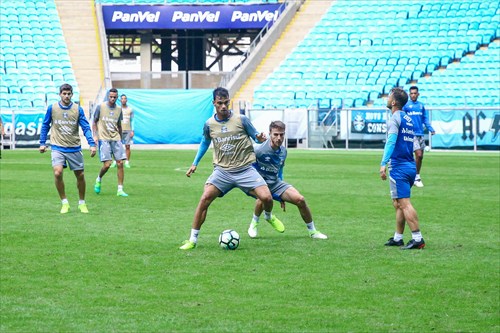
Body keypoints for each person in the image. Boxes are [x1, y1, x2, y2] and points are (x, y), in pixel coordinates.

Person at [180, 87, 284, 250]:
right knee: (204, 199)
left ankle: (268, 216)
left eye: (226, 102)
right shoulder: (209, 124)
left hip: (245, 169)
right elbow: (205, 142)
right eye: (220, 103)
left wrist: (260, 137)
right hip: (222, 171)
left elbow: (256, 136)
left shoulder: (242, 120)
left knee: (267, 198)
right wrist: (195, 163)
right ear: (214, 103)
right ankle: (192, 240)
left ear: (229, 101)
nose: (223, 106)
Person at [248, 120, 328, 239]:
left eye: (282, 134)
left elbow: (279, 171)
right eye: (276, 134)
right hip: (259, 183)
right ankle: (254, 223)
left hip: (275, 183)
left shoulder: (283, 152)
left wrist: (280, 194)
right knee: (264, 196)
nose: (279, 138)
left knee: (300, 200)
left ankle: (313, 231)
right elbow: (248, 165)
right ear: (270, 134)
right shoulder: (259, 149)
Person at [39, 83, 97, 214]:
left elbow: (86, 127)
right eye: (64, 94)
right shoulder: (52, 108)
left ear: (72, 94)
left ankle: (82, 203)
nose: (66, 96)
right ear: (60, 94)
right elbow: (45, 125)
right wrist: (42, 142)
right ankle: (64, 202)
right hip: (57, 146)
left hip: (74, 147)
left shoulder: (77, 109)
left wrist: (92, 144)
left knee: (80, 175)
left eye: (68, 94)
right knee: (57, 172)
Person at [380, 87, 425, 250]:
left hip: (399, 166)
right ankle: (398, 237)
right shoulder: (408, 118)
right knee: (398, 202)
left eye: (389, 96)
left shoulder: (394, 118)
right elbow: (414, 145)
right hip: (410, 165)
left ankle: (417, 238)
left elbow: (391, 142)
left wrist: (383, 163)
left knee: (404, 203)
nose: (386, 99)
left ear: (393, 102)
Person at [92, 88, 128, 197]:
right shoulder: (101, 107)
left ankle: (120, 189)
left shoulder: (118, 109)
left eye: (114, 97)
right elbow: (94, 121)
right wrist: (95, 135)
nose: (112, 99)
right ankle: (99, 178)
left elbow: (119, 125)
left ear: (117, 98)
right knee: (107, 165)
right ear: (108, 96)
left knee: (120, 163)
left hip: (116, 138)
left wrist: (121, 139)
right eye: (111, 97)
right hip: (104, 138)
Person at [402, 86, 435, 187]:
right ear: (409, 94)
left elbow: (425, 119)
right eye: (411, 93)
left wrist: (430, 128)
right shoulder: (406, 106)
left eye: (414, 93)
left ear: (418, 94)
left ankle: (416, 176)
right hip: (411, 134)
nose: (413, 95)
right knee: (418, 154)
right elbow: (402, 118)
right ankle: (415, 177)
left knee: (420, 157)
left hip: (420, 134)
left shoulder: (421, 106)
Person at [111, 94, 134, 168]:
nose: (123, 100)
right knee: (116, 146)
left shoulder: (130, 109)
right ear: (120, 100)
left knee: (127, 146)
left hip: (127, 130)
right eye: (122, 98)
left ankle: (127, 162)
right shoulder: (117, 109)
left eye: (125, 98)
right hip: (119, 130)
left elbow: (132, 120)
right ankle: (115, 161)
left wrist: (132, 130)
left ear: (126, 100)